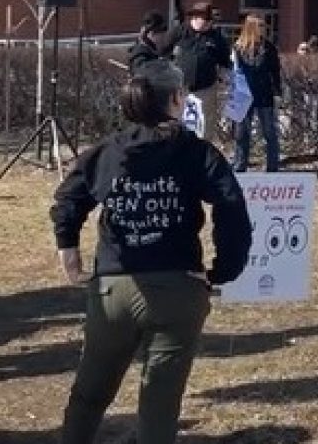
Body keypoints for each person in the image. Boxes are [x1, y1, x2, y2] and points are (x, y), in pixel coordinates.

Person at [49, 59, 251, 443]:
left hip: (113, 288)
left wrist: (69, 255)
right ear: (176, 99)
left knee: (90, 391)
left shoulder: (107, 152)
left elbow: (67, 201)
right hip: (178, 287)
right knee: (160, 401)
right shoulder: (197, 153)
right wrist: (223, 269)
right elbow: (231, 205)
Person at [164, 1, 231, 141]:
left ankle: (202, 155)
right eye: (205, 20)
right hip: (181, 89)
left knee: (204, 126)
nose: (208, 24)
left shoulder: (216, 38)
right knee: (178, 123)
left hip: (205, 88)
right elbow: (163, 52)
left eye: (210, 21)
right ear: (195, 18)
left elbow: (225, 61)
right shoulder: (179, 32)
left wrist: (224, 78)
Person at [232, 14, 283, 173]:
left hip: (264, 93)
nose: (263, 29)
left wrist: (277, 92)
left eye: (263, 26)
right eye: (259, 25)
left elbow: (275, 72)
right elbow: (235, 72)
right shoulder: (238, 48)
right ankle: (240, 165)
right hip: (243, 94)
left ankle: (272, 166)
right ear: (251, 28)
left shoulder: (269, 48)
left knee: (269, 132)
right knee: (241, 133)